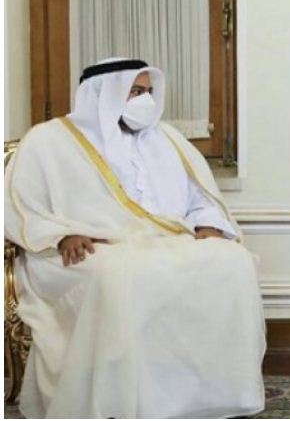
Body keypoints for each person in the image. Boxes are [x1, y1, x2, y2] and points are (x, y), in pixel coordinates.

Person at [5, 58, 266, 418]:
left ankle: (206, 393)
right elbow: (21, 205)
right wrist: (63, 235)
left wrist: (208, 225)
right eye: (135, 92)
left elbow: (199, 199)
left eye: (149, 92)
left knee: (233, 262)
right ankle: (118, 398)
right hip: (82, 250)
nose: (145, 101)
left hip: (164, 239)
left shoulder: (167, 139)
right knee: (119, 275)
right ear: (103, 94)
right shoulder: (49, 140)